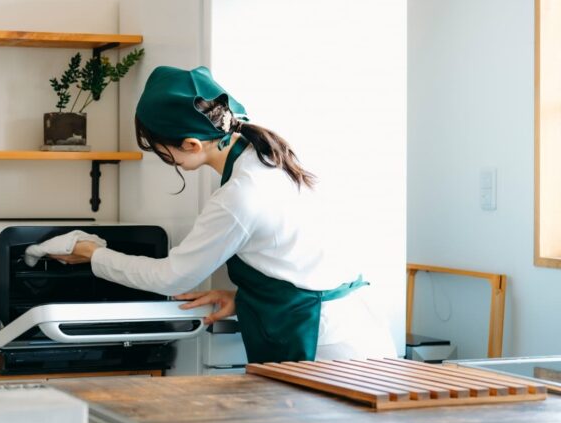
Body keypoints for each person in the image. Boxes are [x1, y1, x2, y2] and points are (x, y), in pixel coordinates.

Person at [51, 65, 397, 363]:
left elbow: (170, 278)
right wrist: (243, 299)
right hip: (357, 329)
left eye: (160, 150)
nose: (161, 158)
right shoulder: (273, 159)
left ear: (190, 144)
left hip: (326, 348)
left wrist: (93, 254)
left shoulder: (239, 195)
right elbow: (298, 260)